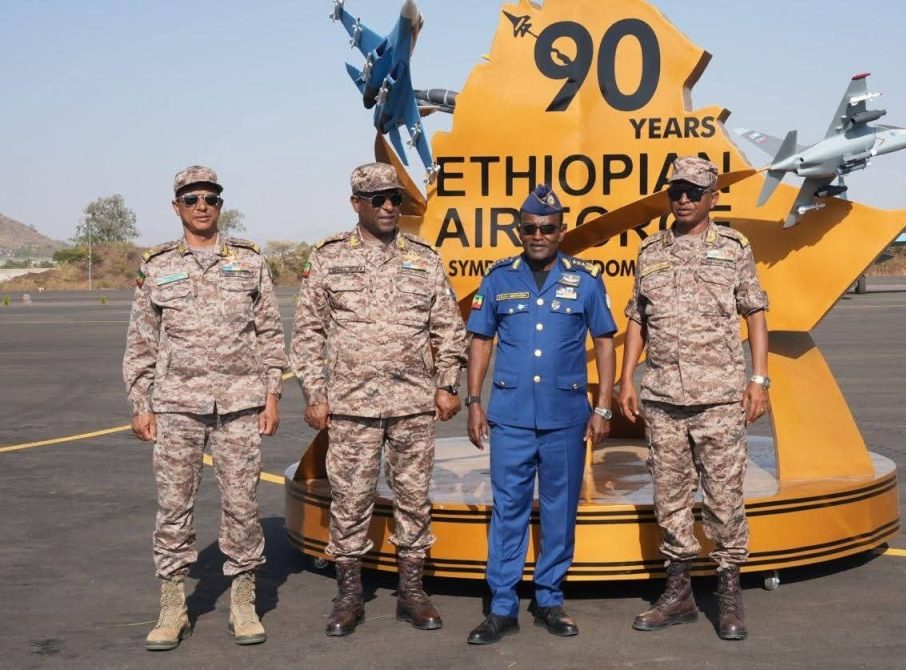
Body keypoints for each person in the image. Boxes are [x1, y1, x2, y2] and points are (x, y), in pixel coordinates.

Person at [290, 162, 467, 637]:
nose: (389, 207)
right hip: (351, 405)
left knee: (414, 498)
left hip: (413, 403)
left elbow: (449, 327)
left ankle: (412, 592)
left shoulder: (424, 258)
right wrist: (315, 393)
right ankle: (349, 595)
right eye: (378, 200)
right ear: (356, 204)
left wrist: (448, 384)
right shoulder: (329, 257)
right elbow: (307, 333)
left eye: (395, 199)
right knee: (350, 499)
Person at [123, 165, 286, 650]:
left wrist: (272, 394)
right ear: (176, 207)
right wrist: (140, 403)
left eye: (210, 199)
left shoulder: (250, 261)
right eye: (192, 199)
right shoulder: (157, 266)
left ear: (220, 205)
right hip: (177, 404)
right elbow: (141, 341)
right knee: (174, 505)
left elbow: (270, 333)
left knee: (243, 504)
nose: (202, 206)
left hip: (240, 403)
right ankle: (173, 605)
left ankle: (243, 601)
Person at [618, 156, 770, 641]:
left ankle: (729, 593)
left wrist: (759, 379)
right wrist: (626, 379)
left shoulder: (733, 247)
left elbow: (755, 312)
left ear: (713, 197)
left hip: (719, 397)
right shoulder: (650, 251)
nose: (682, 199)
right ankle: (679, 592)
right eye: (675, 191)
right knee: (670, 498)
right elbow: (637, 318)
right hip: (663, 397)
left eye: (693, 191)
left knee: (724, 499)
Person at [464, 184, 617, 645]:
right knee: (507, 510)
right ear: (519, 231)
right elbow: (481, 341)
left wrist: (603, 405)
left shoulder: (585, 280)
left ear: (561, 231)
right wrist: (474, 401)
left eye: (547, 228)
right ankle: (503, 606)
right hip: (510, 416)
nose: (538, 236)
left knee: (559, 510)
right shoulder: (498, 279)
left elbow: (604, 341)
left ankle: (549, 597)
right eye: (530, 228)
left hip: (565, 417)